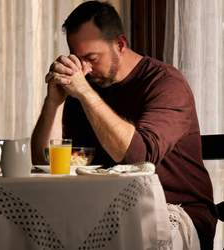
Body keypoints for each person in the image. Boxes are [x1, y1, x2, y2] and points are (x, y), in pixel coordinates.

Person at [31, 1, 217, 249]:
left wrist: (85, 93)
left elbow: (137, 157)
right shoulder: (86, 85)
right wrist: (54, 101)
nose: (84, 69)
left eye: (92, 58)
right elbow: (46, 162)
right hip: (104, 209)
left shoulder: (166, 84)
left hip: (174, 210)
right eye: (78, 58)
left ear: (119, 44)